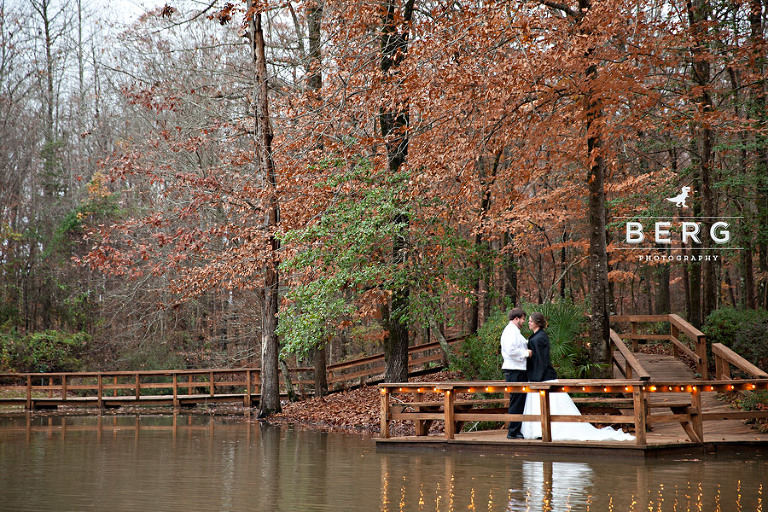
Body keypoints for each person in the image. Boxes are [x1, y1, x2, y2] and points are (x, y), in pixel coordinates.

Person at [521, 312, 635, 442]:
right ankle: (538, 429)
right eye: (528, 321)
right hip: (536, 376)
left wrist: (538, 377)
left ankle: (547, 429)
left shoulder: (540, 337)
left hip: (542, 377)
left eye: (531, 321)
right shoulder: (536, 336)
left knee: (550, 404)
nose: (529, 323)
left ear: (537, 322)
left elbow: (542, 359)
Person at [500, 308, 532, 439]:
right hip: (514, 370)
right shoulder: (509, 332)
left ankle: (516, 429)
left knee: (519, 400)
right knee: (516, 400)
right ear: (516, 318)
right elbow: (511, 350)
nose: (524, 321)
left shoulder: (515, 332)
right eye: (523, 319)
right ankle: (512, 431)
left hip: (519, 369)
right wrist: (527, 353)